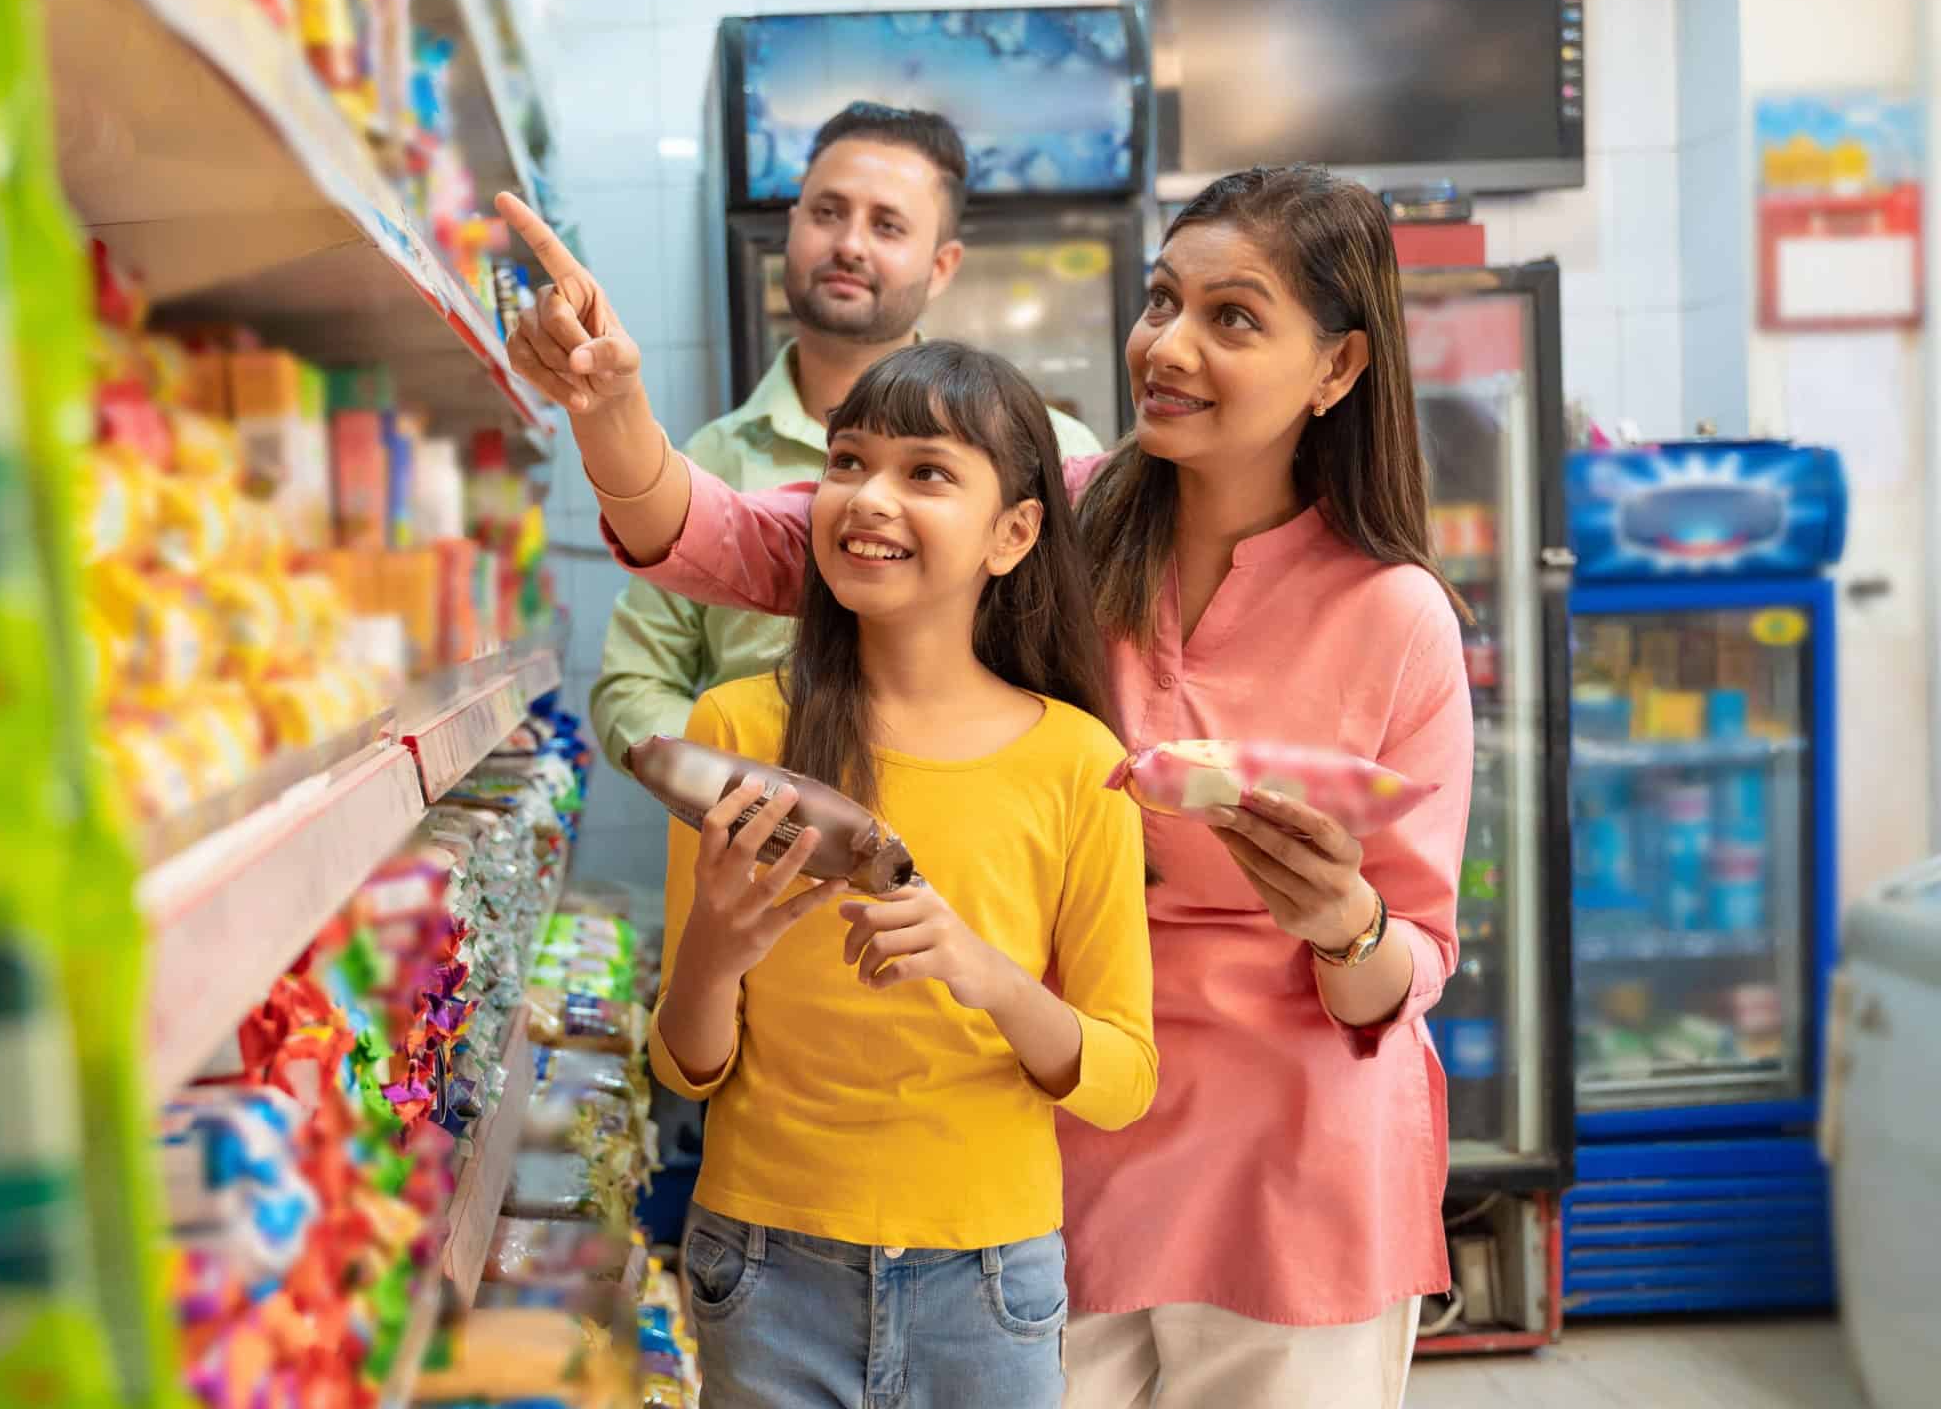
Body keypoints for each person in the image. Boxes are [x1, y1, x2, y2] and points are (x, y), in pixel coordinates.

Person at [497, 165, 1474, 1408]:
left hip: (1296, 1164)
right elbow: (751, 537)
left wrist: (1346, 925)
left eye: (1232, 318)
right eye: (1162, 299)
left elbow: (1411, 958)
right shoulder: (1065, 518)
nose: (1167, 346)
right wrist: (611, 406)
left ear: (1336, 369)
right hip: (1050, 1148)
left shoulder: (1398, 621)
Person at [644, 341, 1156, 1408]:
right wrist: (712, 955)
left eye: (926, 472)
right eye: (846, 462)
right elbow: (686, 1067)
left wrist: (990, 976)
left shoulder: (1077, 762)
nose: (868, 497)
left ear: (1014, 532)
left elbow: (1121, 1076)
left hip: (990, 1283)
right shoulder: (738, 731)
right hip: (762, 1263)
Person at [589, 101, 1101, 772]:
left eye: (887, 225)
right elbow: (633, 683)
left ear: (942, 265)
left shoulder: (1051, 453)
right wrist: (743, 787)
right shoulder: (712, 460)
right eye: (827, 213)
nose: (850, 245)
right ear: (792, 225)